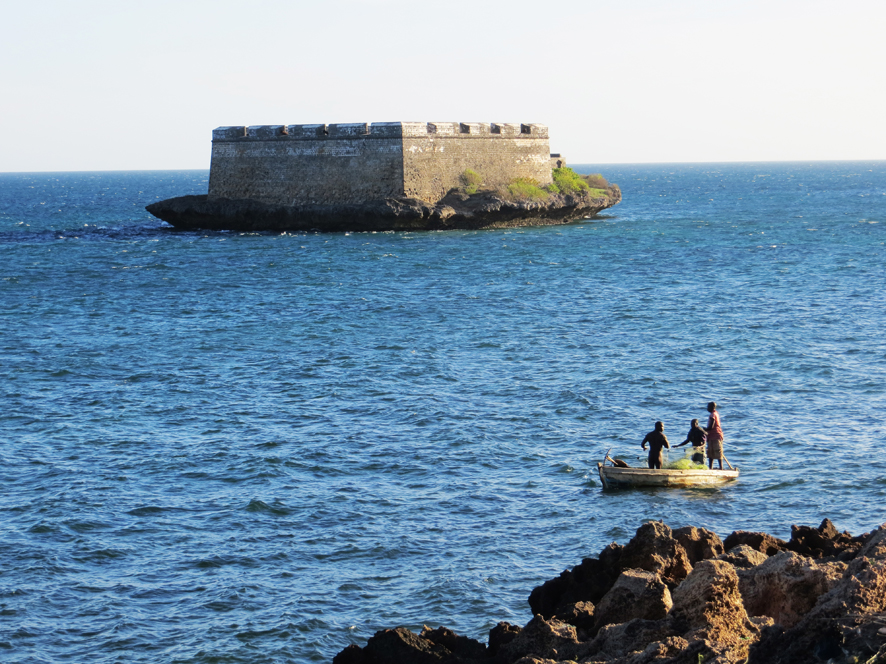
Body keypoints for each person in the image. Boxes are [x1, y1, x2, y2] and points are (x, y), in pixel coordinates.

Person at [704, 401, 724, 469]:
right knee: (710, 452)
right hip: (711, 436)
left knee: (717, 452)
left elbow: (711, 427)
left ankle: (721, 468)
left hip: (716, 435)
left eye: (708, 407)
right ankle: (711, 467)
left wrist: (705, 429)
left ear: (712, 407)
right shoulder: (716, 413)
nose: (707, 408)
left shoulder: (713, 415)